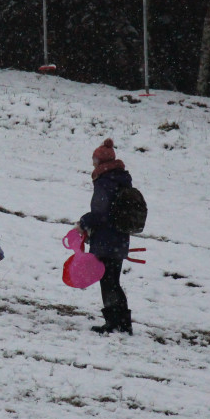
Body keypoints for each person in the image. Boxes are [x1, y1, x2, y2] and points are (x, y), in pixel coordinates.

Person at [78, 138, 133, 335]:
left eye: (94, 160)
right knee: (114, 281)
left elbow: (100, 213)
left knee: (108, 282)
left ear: (101, 162)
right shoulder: (121, 179)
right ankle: (123, 324)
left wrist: (83, 223)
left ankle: (113, 323)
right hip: (119, 239)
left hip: (106, 240)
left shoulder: (105, 182)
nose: (93, 164)